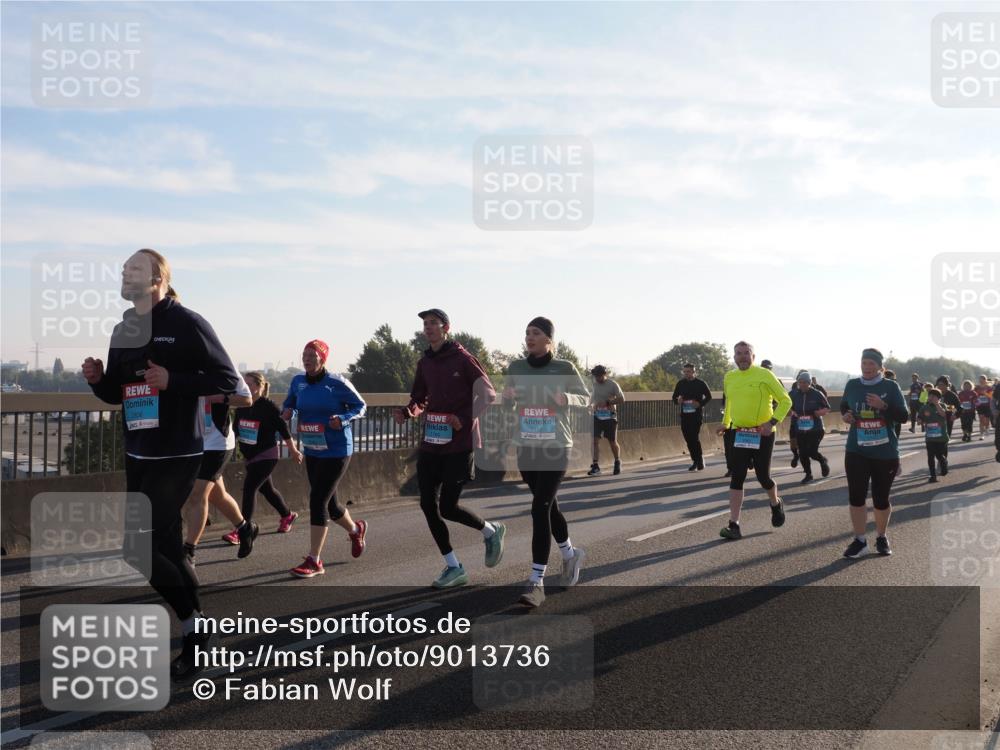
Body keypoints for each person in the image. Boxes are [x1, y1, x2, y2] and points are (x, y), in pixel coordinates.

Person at [82, 248, 240, 679]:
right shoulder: (124, 328)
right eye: (123, 269)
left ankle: (193, 626)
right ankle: (197, 633)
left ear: (158, 280)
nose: (124, 274)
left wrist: (175, 382)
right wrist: (99, 381)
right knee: (166, 546)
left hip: (177, 451)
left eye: (133, 269)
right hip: (138, 450)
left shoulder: (187, 323)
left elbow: (229, 381)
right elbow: (119, 392)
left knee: (139, 548)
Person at [393, 308, 504, 589]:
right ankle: (454, 566)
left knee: (448, 507)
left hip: (460, 443)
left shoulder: (463, 359)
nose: (428, 328)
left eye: (434, 323)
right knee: (427, 504)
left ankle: (491, 531)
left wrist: (464, 419)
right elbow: (419, 398)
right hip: (431, 442)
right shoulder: (425, 363)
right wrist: (408, 412)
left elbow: (488, 395)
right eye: (425, 324)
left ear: (446, 328)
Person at [503, 316, 587, 608]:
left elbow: (585, 398)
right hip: (526, 446)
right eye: (527, 332)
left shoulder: (564, 368)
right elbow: (507, 404)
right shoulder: (515, 368)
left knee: (539, 508)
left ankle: (536, 582)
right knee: (549, 507)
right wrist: (508, 397)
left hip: (556, 447)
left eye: (536, 332)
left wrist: (566, 398)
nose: (529, 337)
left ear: (549, 339)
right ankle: (570, 554)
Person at [281, 340, 368, 579]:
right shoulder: (298, 382)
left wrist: (343, 418)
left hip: (337, 449)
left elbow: (361, 406)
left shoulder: (336, 383)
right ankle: (355, 529)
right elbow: (290, 403)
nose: (307, 359)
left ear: (322, 359)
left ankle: (314, 560)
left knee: (317, 499)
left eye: (312, 355)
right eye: (304, 355)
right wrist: (289, 411)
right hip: (313, 447)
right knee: (330, 504)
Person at [715, 342, 791, 540]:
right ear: (734, 357)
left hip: (762, 434)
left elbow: (786, 401)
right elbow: (730, 402)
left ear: (753, 356)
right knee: (736, 476)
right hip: (740, 433)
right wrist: (726, 423)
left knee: (763, 477)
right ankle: (734, 525)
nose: (742, 357)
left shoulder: (764, 375)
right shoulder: (729, 377)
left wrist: (772, 422)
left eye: (746, 353)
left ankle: (775, 504)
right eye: (738, 354)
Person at [840, 348, 908, 558]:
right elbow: (844, 405)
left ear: (880, 366)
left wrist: (883, 405)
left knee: (880, 498)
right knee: (856, 496)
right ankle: (860, 540)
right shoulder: (852, 385)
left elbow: (904, 416)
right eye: (864, 363)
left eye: (871, 364)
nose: (867, 367)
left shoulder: (890, 386)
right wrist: (847, 415)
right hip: (856, 450)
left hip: (884, 452)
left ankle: (881, 536)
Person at [181, 367, 253, 563]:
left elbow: (247, 399)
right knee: (217, 495)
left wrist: (219, 398)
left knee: (198, 494)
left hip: (217, 442)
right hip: (194, 442)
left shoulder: (222, 367)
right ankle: (245, 528)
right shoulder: (181, 369)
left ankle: (189, 550)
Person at [232, 371, 304, 551]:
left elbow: (283, 428)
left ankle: (243, 528)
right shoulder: (242, 405)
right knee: (268, 490)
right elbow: (235, 430)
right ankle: (287, 515)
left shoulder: (268, 406)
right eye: (244, 384)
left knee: (249, 488)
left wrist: (293, 450)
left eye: (249, 384)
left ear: (260, 387)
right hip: (250, 456)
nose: (246, 387)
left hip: (267, 455)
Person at [789, 371, 831, 483]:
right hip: (800, 429)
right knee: (802, 453)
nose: (802, 385)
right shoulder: (793, 394)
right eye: (800, 382)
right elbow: (787, 406)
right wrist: (791, 412)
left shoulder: (817, 394)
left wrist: (819, 412)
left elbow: (827, 408)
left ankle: (822, 461)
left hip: (816, 429)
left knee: (812, 452)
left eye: (804, 382)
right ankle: (808, 474)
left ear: (809, 383)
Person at [671, 363, 712, 471]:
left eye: (688, 371)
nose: (686, 374)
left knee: (694, 438)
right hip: (685, 415)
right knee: (688, 439)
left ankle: (699, 460)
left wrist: (700, 404)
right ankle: (695, 459)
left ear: (694, 372)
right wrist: (677, 401)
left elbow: (709, 396)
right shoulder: (680, 383)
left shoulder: (700, 383)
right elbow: (674, 398)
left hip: (696, 415)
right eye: (684, 372)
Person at [588, 365, 625, 476]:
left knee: (612, 441)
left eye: (599, 376)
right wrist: (590, 406)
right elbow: (590, 399)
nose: (598, 378)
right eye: (595, 376)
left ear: (605, 374)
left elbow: (622, 399)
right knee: (594, 440)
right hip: (597, 416)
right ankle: (595, 466)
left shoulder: (612, 384)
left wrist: (608, 403)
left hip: (610, 417)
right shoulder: (593, 385)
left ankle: (617, 461)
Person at [918, 388, 950, 483]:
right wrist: (919, 421)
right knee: (930, 456)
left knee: (940, 455)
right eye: (930, 396)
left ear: (939, 398)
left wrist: (937, 404)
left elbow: (944, 415)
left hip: (941, 437)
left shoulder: (943, 405)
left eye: (933, 396)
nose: (931, 398)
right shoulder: (924, 408)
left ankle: (943, 462)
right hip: (930, 438)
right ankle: (933, 476)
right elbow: (919, 418)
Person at [975, 375, 994, 440]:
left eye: (982, 379)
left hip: (987, 405)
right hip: (980, 405)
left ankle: (987, 428)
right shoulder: (977, 387)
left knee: (987, 420)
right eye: (980, 379)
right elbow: (974, 395)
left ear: (985, 380)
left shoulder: (989, 387)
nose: (981, 381)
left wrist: (985, 393)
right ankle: (981, 435)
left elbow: (991, 396)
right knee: (981, 420)